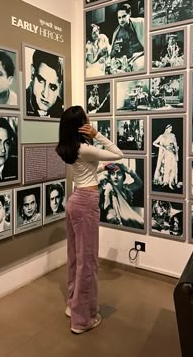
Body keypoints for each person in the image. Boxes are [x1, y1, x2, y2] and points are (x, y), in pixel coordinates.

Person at [56, 105, 123, 334]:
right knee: (88, 261)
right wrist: (98, 135)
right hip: (86, 203)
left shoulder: (70, 148)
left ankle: (73, 305)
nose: (89, 119)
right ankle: (82, 320)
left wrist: (103, 168)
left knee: (75, 257)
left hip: (76, 199)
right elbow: (118, 153)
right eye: (86, 118)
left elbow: (85, 171)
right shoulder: (85, 147)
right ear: (80, 125)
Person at [101, 162, 144, 228]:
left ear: (123, 176)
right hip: (118, 221)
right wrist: (112, 216)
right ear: (109, 176)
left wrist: (128, 170)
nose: (115, 177)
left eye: (119, 174)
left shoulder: (126, 189)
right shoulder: (109, 188)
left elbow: (139, 183)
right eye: (112, 174)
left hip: (128, 219)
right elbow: (109, 209)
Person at [26, 49, 64, 118]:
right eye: (41, 81)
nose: (45, 94)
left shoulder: (62, 111)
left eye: (52, 87)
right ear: (32, 72)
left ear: (60, 86)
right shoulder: (22, 102)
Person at [110, 3, 144, 72]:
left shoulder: (141, 22)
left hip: (140, 55)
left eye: (124, 16)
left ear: (129, 14)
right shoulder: (117, 33)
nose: (121, 20)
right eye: (119, 18)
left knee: (138, 66)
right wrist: (115, 49)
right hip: (125, 60)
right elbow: (113, 53)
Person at [153, 124, 179, 190]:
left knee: (173, 167)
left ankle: (171, 182)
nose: (171, 130)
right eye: (170, 128)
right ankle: (165, 182)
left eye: (171, 128)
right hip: (166, 154)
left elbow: (175, 146)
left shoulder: (173, 136)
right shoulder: (162, 136)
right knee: (166, 168)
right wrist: (162, 147)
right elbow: (154, 143)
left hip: (172, 153)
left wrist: (177, 155)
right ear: (166, 129)